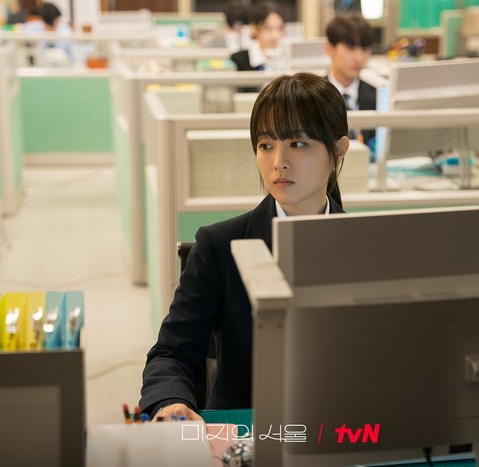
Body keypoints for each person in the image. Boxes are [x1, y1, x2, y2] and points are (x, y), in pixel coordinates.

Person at [140, 72, 350, 421]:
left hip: (345, 428)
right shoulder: (220, 246)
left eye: (297, 144)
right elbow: (171, 353)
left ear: (338, 151)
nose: (278, 162)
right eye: (266, 145)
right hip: (248, 430)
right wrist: (171, 402)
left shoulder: (368, 246)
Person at [324, 12, 376, 149]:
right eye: (350, 48)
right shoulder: (312, 95)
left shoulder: (377, 95)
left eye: (364, 48)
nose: (359, 57)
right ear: (329, 49)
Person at [230, 1, 285, 72]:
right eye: (268, 28)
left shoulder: (286, 59)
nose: (275, 35)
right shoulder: (237, 61)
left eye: (279, 28)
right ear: (253, 29)